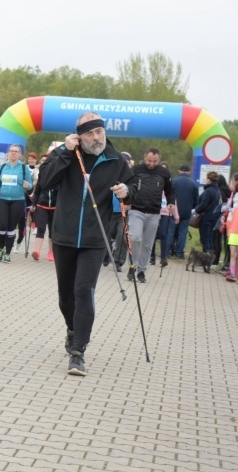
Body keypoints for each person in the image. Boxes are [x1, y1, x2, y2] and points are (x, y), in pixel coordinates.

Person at [39, 112, 135, 377]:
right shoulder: (66, 154)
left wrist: (127, 192)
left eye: (99, 132)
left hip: (95, 239)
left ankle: (78, 352)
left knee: (84, 291)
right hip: (64, 236)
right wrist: (64, 153)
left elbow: (132, 187)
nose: (96, 138)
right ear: (78, 136)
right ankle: (72, 329)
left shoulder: (115, 159)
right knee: (66, 296)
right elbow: (44, 182)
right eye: (90, 134)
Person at [125, 148, 175, 283]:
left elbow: (170, 190)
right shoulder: (136, 170)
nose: (151, 164)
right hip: (136, 210)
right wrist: (126, 199)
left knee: (147, 244)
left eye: (155, 161)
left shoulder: (164, 173)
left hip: (154, 212)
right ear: (144, 158)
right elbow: (128, 186)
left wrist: (171, 202)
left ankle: (142, 270)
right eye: (149, 161)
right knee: (134, 238)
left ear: (159, 159)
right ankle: (132, 266)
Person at [0, 144, 33, 263]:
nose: (13, 153)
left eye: (16, 151)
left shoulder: (23, 168)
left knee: (11, 227)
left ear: (19, 154)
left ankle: (8, 253)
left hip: (18, 200)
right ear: (8, 153)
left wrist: (27, 185)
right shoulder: (3, 166)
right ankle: (1, 248)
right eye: (11, 151)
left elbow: (30, 185)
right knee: (2, 225)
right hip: (3, 199)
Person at [167, 164, 198, 259]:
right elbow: (196, 200)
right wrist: (190, 207)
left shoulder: (173, 181)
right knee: (183, 232)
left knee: (171, 231)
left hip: (173, 210)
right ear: (189, 172)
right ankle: (179, 252)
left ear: (179, 171)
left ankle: (168, 251)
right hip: (186, 211)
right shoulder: (193, 183)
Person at [29, 155, 56, 261]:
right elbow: (37, 192)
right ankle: (37, 251)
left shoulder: (59, 176)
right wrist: (33, 204)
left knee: (52, 231)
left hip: (55, 207)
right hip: (41, 205)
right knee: (40, 228)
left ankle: (51, 252)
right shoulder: (42, 176)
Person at [194, 171, 223, 254]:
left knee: (205, 239)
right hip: (214, 217)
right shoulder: (218, 191)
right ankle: (211, 257)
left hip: (206, 217)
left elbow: (203, 205)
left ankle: (206, 257)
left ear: (209, 180)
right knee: (210, 238)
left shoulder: (208, 191)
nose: (205, 180)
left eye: (206, 178)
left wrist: (196, 210)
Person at [15, 152, 38, 253]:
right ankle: (11, 241)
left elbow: (34, 185)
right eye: (29, 159)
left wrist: (30, 189)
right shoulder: (13, 170)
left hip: (29, 197)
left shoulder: (34, 170)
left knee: (22, 223)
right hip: (15, 197)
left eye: (33, 159)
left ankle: (18, 242)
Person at [224, 174, 238, 282]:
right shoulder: (234, 194)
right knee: (233, 252)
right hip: (233, 226)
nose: (232, 182)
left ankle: (235, 272)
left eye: (233, 180)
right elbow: (230, 209)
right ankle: (232, 272)